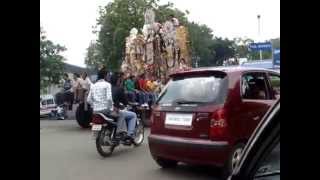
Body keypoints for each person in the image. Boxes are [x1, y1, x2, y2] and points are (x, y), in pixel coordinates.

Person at [110, 73, 137, 141]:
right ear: (118, 80)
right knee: (133, 115)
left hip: (107, 110)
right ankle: (129, 134)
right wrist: (130, 104)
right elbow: (125, 101)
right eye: (120, 79)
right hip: (114, 110)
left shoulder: (109, 87)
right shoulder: (119, 89)